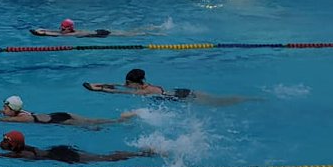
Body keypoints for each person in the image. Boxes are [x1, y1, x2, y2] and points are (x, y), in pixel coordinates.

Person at [0, 130, 153, 164]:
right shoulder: (19, 147)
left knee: (103, 159)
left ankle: (139, 154)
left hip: (62, 157)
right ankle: (140, 152)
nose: (2, 142)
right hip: (57, 149)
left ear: (14, 146)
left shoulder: (22, 156)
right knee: (101, 156)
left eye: (6, 141)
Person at [83, 68, 253, 105]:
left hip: (183, 97)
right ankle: (250, 99)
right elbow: (119, 85)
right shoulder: (142, 86)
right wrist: (97, 84)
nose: (126, 84)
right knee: (219, 100)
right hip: (181, 91)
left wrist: (100, 90)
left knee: (221, 102)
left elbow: (120, 93)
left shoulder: (144, 92)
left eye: (128, 83)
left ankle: (250, 100)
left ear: (133, 83)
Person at [0, 95, 134, 127]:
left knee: (92, 124)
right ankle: (121, 119)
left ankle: (120, 121)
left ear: (12, 109)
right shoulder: (21, 111)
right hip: (61, 114)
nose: (2, 110)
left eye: (4, 107)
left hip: (62, 121)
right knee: (92, 121)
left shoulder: (22, 119)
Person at [31, 19, 163, 38]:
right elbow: (56, 32)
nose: (61, 29)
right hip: (98, 31)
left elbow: (57, 35)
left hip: (100, 34)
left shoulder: (69, 34)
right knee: (126, 32)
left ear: (69, 29)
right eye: (61, 27)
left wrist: (43, 33)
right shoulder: (68, 31)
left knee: (128, 34)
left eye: (64, 27)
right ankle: (152, 29)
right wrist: (42, 29)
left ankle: (150, 32)